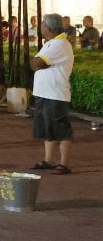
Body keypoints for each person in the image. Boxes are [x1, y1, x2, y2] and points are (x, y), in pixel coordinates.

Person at [29, 13, 75, 173]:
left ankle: (64, 163)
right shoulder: (52, 43)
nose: (40, 27)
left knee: (61, 129)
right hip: (45, 93)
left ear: (48, 28)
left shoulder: (59, 44)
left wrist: (37, 62)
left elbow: (36, 63)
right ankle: (49, 160)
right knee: (48, 129)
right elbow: (36, 63)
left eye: (41, 25)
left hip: (55, 94)